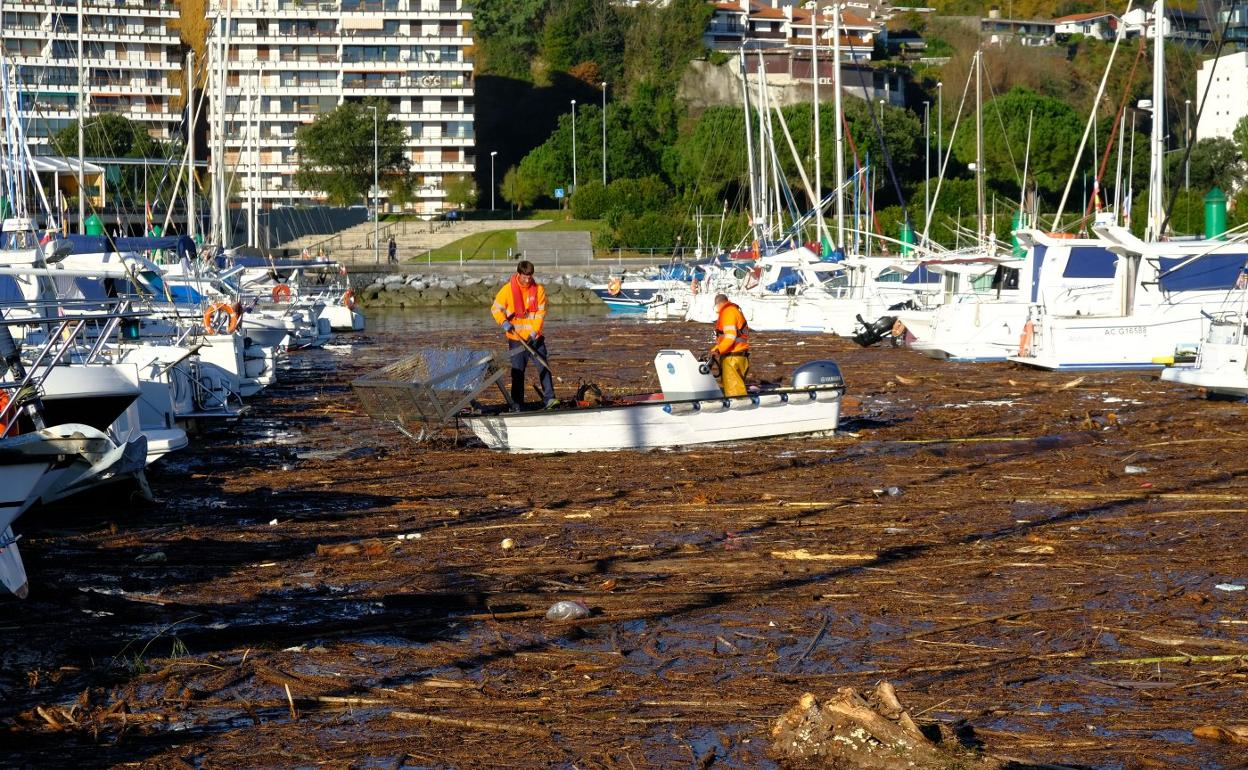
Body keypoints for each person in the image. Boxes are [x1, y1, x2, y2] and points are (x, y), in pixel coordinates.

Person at [491, 261, 557, 410]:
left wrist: (534, 332)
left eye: (530, 277)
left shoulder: (538, 290)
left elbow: (540, 314)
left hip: (535, 339)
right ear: (519, 274)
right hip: (516, 339)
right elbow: (495, 309)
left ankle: (550, 399)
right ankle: (517, 404)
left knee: (543, 367)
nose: (528, 280)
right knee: (518, 372)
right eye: (525, 277)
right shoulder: (507, 290)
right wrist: (504, 323)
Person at [708, 293, 750, 397]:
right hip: (739, 356)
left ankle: (738, 411)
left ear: (717, 304)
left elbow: (730, 337)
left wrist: (718, 349)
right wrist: (716, 348)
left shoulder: (728, 313)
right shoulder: (733, 311)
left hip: (732, 357)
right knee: (734, 387)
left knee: (734, 393)